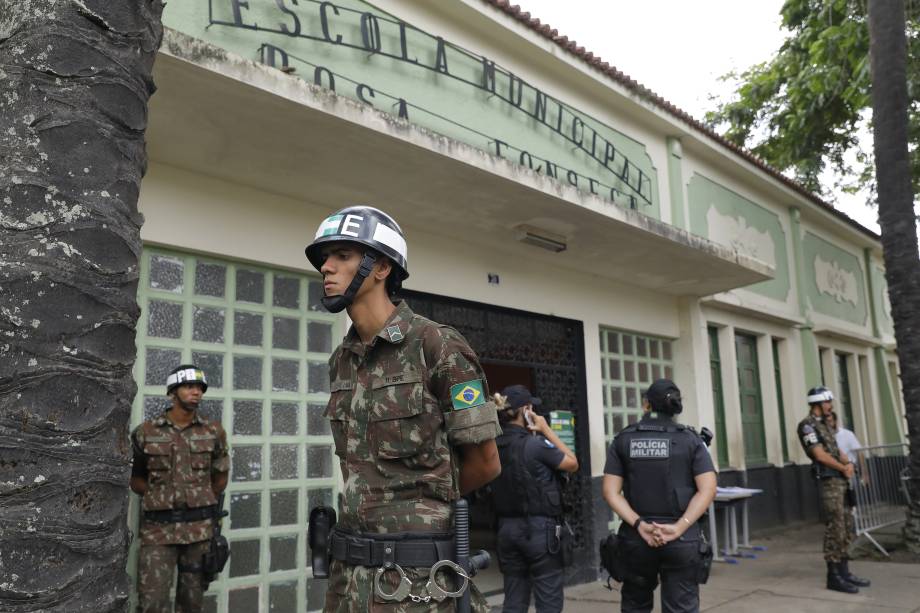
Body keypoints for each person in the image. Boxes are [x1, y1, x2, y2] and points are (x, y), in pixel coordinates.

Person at [304, 205, 503, 612]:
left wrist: (418, 505)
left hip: (415, 582)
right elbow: (355, 465)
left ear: (380, 268)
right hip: (350, 578)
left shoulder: (436, 345)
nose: (326, 267)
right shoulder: (343, 359)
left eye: (343, 255)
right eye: (325, 257)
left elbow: (486, 463)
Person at [602, 379, 717, 613]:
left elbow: (610, 492)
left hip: (636, 539)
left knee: (635, 605)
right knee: (681, 607)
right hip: (682, 541)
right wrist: (679, 527)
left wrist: (640, 525)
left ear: (646, 405)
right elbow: (708, 489)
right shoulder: (691, 440)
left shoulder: (624, 439)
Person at [130, 364, 230, 613]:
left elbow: (220, 478)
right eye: (188, 386)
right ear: (173, 391)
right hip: (158, 532)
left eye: (199, 388)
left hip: (199, 532)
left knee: (192, 603)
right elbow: (136, 478)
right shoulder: (146, 432)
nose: (196, 392)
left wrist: (197, 499)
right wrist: (160, 496)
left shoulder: (213, 431)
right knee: (152, 601)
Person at [491, 384, 579, 613]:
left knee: (514, 600)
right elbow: (572, 463)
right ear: (527, 409)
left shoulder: (493, 447)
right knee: (548, 599)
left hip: (506, 530)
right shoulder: (537, 445)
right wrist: (546, 429)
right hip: (540, 531)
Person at [796, 386, 870, 593]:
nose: (830, 406)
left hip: (841, 481)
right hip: (830, 483)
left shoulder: (825, 425)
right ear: (817, 403)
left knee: (846, 525)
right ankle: (834, 576)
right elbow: (819, 455)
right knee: (835, 527)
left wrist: (847, 462)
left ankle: (845, 571)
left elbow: (836, 449)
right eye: (827, 402)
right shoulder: (807, 426)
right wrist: (842, 468)